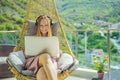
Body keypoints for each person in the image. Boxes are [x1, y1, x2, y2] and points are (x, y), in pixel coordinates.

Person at [24, 15, 58, 80]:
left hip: (49, 62)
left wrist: (57, 54)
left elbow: (57, 53)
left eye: (46, 25)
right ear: (38, 26)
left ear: (49, 26)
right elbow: (27, 52)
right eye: (41, 25)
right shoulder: (32, 38)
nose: (43, 28)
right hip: (34, 61)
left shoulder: (53, 39)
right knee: (45, 56)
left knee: (42, 73)